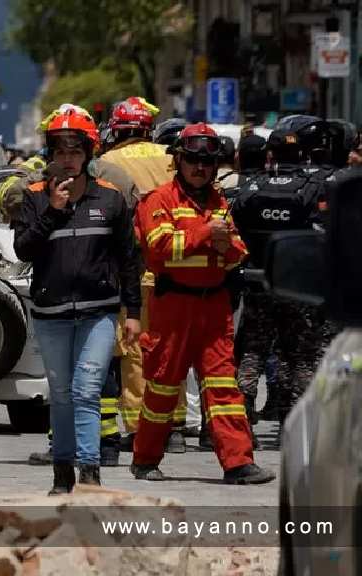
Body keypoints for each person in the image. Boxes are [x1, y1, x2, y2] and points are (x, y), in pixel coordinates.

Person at [131, 123, 274, 484]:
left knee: (224, 387)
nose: (200, 168)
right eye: (193, 160)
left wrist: (226, 247)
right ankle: (145, 459)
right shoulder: (158, 200)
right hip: (173, 306)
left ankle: (238, 462)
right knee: (164, 386)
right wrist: (206, 234)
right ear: (178, 160)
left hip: (214, 307)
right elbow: (160, 250)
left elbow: (236, 253)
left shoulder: (219, 202)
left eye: (207, 162)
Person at [13, 107, 141, 493]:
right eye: (60, 150)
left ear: (88, 153)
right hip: (50, 314)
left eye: (75, 150)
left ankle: (90, 472)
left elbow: (128, 259)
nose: (67, 159)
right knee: (63, 393)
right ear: (51, 154)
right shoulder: (34, 197)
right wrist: (53, 211)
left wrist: (133, 312)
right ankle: (62, 471)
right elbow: (23, 250)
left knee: (88, 390)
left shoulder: (112, 199)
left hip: (97, 313)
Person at [97, 97, 192, 453]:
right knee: (172, 348)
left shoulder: (107, 164)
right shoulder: (172, 157)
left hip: (133, 271)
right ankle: (177, 423)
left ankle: (141, 427)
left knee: (136, 350)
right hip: (177, 265)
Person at [229, 130, 326, 429]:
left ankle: (243, 415)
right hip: (298, 287)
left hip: (259, 283)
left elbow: (235, 233)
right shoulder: (313, 186)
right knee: (300, 355)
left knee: (253, 351)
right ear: (302, 156)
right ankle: (295, 422)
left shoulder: (251, 187)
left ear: (270, 155)